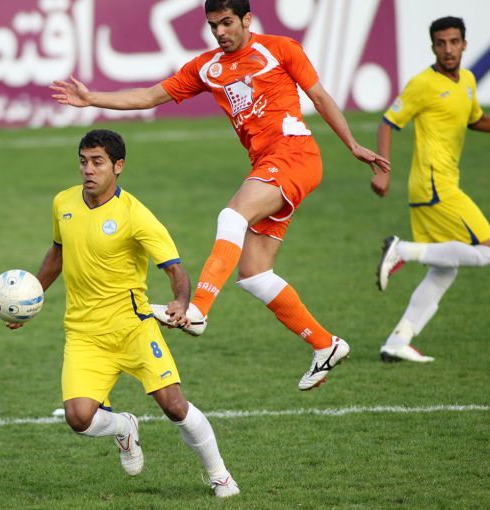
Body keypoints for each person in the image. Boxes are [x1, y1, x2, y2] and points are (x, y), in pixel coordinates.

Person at [51, 0, 389, 391]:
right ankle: (325, 344)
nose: (220, 32)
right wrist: (92, 99)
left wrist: (352, 144)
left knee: (232, 216)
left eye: (227, 23)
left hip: (294, 155)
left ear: (247, 19)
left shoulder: (280, 49)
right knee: (254, 274)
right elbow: (149, 96)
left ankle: (198, 311)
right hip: (267, 165)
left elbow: (320, 97)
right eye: (214, 25)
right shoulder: (207, 67)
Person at [6, 129, 239, 498]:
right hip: (84, 334)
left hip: (133, 328)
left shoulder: (136, 215)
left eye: (97, 162)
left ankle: (220, 476)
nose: (88, 169)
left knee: (174, 406)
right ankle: (124, 427)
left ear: (118, 166)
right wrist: (29, 297)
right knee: (78, 418)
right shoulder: (63, 203)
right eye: (83, 161)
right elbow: (57, 253)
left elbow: (176, 270)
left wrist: (181, 302)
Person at [372, 16, 490, 362]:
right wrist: (383, 170)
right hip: (433, 184)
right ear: (432, 46)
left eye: (454, 42)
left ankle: (398, 340)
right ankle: (402, 250)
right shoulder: (422, 84)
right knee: (488, 251)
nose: (448, 49)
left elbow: (476, 120)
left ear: (464, 44)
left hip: (444, 183)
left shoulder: (468, 80)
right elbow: (388, 122)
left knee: (445, 269)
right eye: (441, 43)